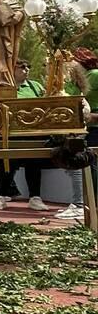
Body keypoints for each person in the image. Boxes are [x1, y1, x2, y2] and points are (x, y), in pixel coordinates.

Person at [0, 59, 49, 212]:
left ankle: (35, 197)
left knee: (34, 164)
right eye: (22, 67)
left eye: (28, 66)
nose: (26, 69)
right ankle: (0, 196)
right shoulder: (2, 87)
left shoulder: (36, 87)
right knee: (7, 164)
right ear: (12, 69)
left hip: (33, 133)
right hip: (11, 134)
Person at [58, 49, 98, 221]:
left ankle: (82, 204)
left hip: (90, 125)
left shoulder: (94, 74)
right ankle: (83, 203)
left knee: (83, 162)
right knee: (80, 162)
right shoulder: (74, 83)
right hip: (82, 126)